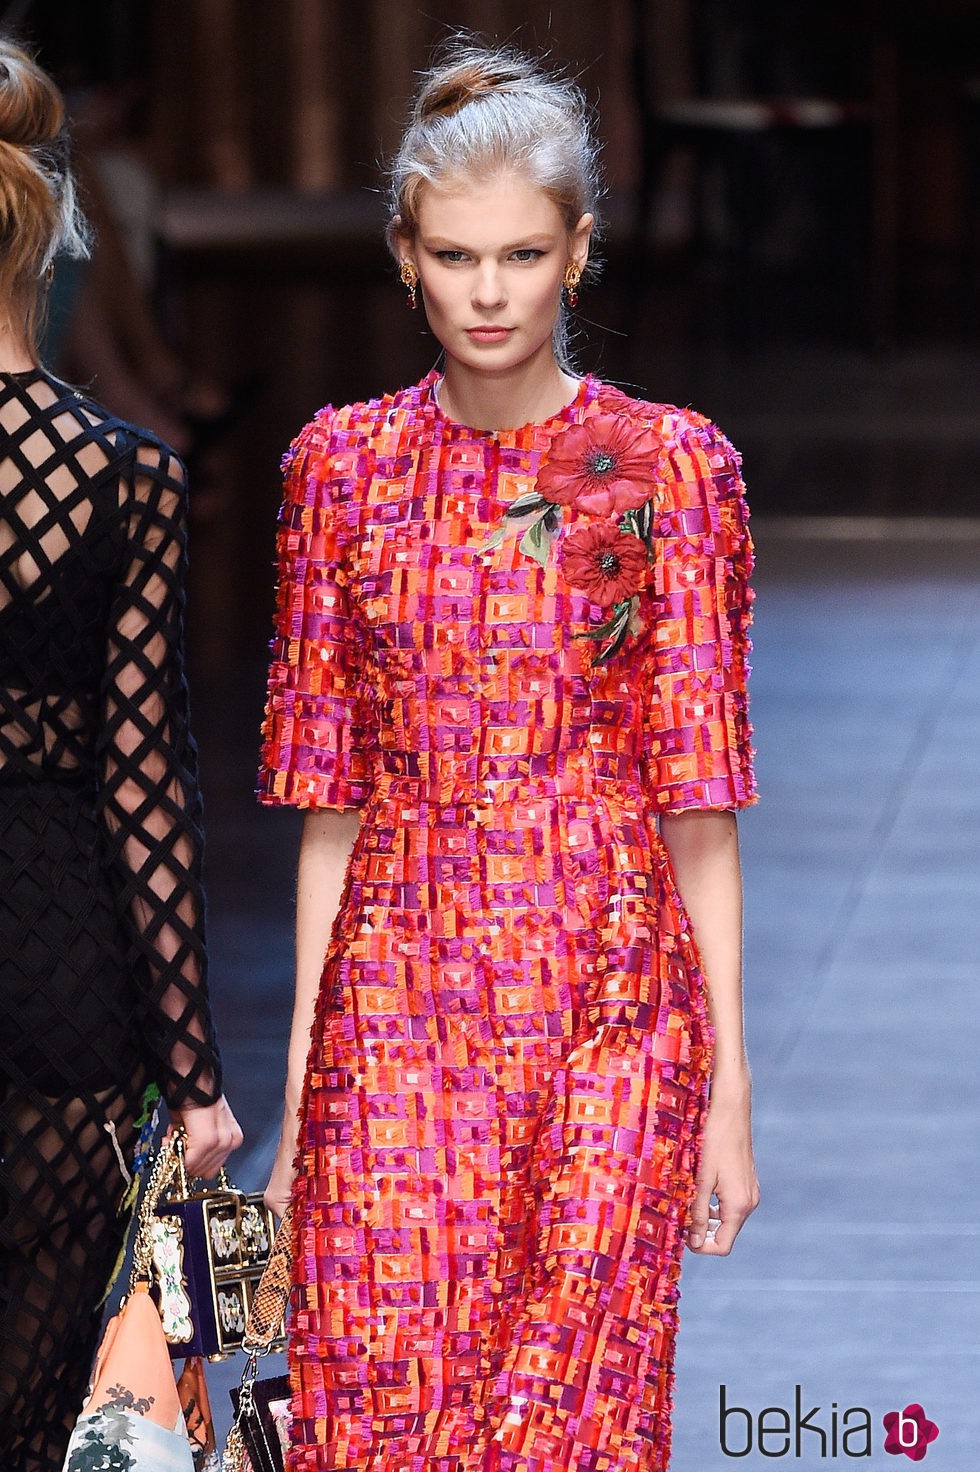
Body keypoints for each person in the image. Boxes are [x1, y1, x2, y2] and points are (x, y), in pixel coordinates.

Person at [259, 40, 759, 1472]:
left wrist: (729, 1093)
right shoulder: (337, 472)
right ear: (405, 256)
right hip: (399, 1010)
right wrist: (302, 1099)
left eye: (524, 253)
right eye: (457, 255)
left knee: (577, 1432)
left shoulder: (673, 472)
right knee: (380, 1419)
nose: (489, 292)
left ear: (579, 252)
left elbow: (701, 803)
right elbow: (329, 803)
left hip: (617, 1010)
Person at [0, 38, 241, 1472]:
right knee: (56, 1399)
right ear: (62, 229)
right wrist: (197, 1075)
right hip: (68, 958)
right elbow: (148, 788)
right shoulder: (131, 474)